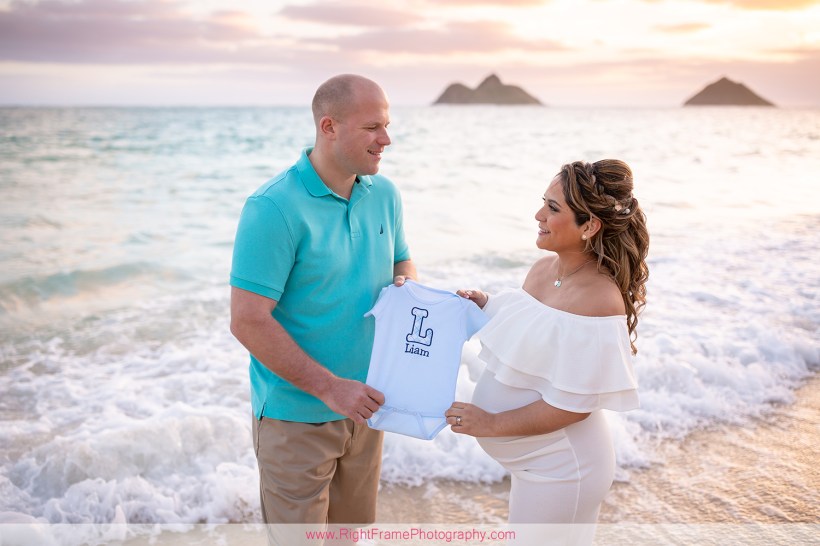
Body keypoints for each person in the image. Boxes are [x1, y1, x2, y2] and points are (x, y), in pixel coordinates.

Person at [229, 74, 417, 532]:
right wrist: (331, 388)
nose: (386, 139)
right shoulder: (272, 207)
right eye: (372, 127)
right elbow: (247, 321)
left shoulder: (385, 194)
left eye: (387, 126)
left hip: (367, 407)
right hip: (296, 417)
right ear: (328, 127)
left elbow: (402, 262)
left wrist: (408, 290)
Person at [447, 159, 648, 532]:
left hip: (564, 468)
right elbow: (536, 334)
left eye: (553, 208)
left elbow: (575, 406)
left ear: (589, 226)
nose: (538, 215)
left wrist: (492, 423)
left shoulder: (600, 299)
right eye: (544, 202)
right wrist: (483, 304)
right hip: (536, 464)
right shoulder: (543, 270)